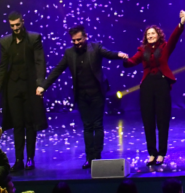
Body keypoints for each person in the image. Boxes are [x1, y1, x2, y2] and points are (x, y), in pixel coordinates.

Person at [40, 24, 128, 168]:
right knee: (87, 126)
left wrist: (119, 54)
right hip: (81, 95)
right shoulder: (69, 53)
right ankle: (89, 157)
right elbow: (57, 70)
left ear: (85, 37)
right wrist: (43, 86)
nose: (77, 43)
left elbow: (108, 53)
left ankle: (97, 156)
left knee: (97, 125)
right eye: (74, 40)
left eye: (79, 40)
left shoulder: (95, 48)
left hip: (97, 93)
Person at [120, 11, 185, 165]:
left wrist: (182, 22)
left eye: (153, 33)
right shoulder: (142, 50)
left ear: (158, 35)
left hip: (162, 84)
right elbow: (132, 62)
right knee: (148, 120)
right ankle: (152, 153)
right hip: (147, 86)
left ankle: (161, 154)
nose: (150, 36)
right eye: (148, 34)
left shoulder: (165, 47)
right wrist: (124, 60)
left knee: (162, 120)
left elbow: (174, 37)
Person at [0, 11, 48, 172]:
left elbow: (40, 62)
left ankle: (30, 158)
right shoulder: (6, 42)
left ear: (22, 22)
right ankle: (18, 160)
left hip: (30, 86)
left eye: (17, 24)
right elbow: (3, 66)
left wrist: (40, 84)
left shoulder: (34, 38)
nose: (15, 28)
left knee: (29, 123)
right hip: (13, 86)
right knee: (17, 124)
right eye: (12, 26)